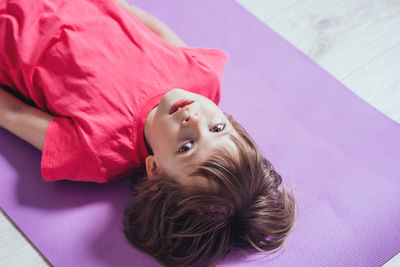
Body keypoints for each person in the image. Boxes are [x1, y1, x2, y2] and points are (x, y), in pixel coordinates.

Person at [0, 0, 296, 266]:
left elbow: (14, 114)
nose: (193, 118)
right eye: (218, 128)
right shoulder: (202, 77)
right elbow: (142, 23)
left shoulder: (97, 152)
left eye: (186, 147)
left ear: (154, 169)